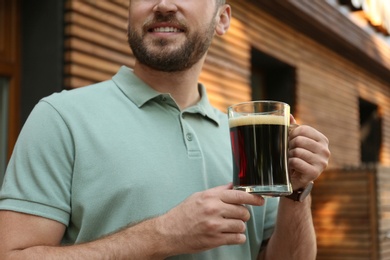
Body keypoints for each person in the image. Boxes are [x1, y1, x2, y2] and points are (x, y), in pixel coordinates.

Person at [0, 0, 330, 259]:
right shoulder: (60, 117)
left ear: (223, 19)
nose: (163, 5)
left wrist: (296, 194)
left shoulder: (247, 140)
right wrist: (164, 234)